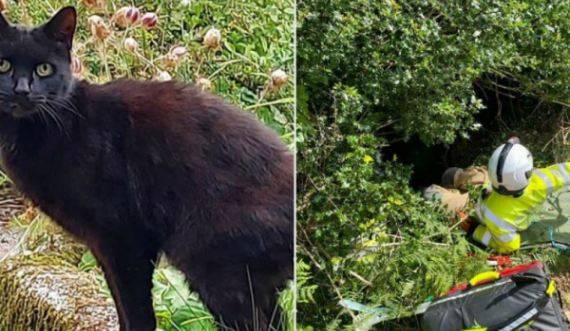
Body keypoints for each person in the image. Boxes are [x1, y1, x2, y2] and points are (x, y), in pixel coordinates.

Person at [424, 138, 570, 253]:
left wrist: (474, 229)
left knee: (429, 193)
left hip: (473, 205)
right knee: (452, 175)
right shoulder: (542, 181)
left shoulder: (499, 218)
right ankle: (453, 182)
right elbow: (565, 171)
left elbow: (509, 246)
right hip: (487, 186)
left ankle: (451, 187)